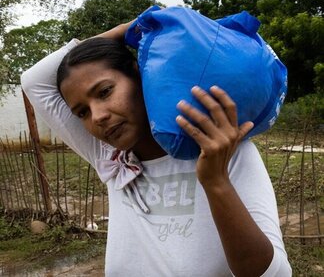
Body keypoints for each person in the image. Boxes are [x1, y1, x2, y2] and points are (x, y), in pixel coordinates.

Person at [21, 20, 292, 277]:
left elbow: (274, 274)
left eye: (104, 92)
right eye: (82, 112)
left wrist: (216, 182)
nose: (98, 116)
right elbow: (34, 80)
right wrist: (129, 28)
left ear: (140, 74)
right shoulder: (109, 155)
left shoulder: (225, 154)